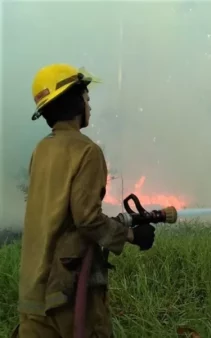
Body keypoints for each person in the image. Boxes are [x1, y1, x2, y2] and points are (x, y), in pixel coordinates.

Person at [12, 63, 156, 338]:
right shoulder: (87, 151)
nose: (89, 105)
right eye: (87, 98)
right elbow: (86, 218)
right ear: (76, 102)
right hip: (66, 290)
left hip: (33, 289)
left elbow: (58, 213)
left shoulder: (41, 150)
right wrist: (131, 235)